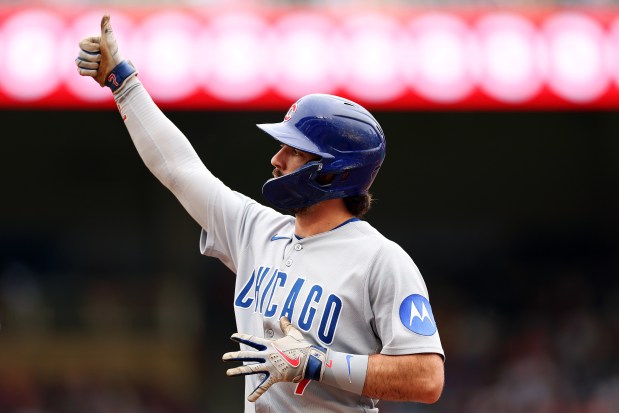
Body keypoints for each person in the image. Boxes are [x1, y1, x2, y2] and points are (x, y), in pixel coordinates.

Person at [75, 15, 445, 413]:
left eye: (295, 151)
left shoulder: (381, 259)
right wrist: (123, 83)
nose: (276, 159)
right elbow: (178, 169)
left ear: (335, 171)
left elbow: (427, 378)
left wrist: (316, 364)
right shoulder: (256, 230)